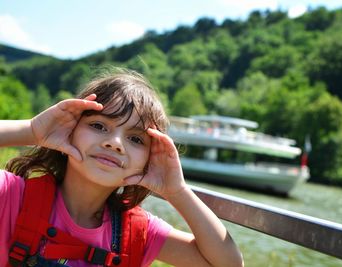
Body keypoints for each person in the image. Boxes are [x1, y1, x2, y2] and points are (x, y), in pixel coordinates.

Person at [0, 69, 244, 267]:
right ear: (70, 130)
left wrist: (177, 191)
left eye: (136, 139)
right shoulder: (12, 196)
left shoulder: (138, 234)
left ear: (148, 159)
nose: (114, 143)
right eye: (98, 125)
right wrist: (31, 131)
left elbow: (229, 264)